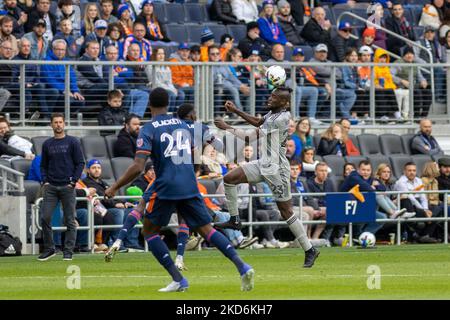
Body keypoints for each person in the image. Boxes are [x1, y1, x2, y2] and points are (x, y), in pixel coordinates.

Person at [105, 87, 255, 292]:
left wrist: (114, 187)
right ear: (169, 104)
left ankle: (178, 279)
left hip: (166, 185)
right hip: (189, 184)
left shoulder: (148, 129)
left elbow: (138, 166)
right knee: (207, 229)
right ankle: (242, 267)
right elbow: (198, 150)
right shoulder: (185, 125)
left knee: (149, 231)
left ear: (150, 105)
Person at [214, 88, 320, 268]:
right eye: (271, 95)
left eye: (275, 98)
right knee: (230, 178)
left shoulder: (280, 119)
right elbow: (258, 121)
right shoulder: (274, 113)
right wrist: (236, 111)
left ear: (284, 103)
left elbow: (248, 138)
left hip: (277, 170)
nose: (270, 99)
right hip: (264, 163)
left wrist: (227, 127)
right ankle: (235, 219)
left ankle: (310, 249)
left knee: (286, 211)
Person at [38, 113, 85, 261]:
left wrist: (73, 181)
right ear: (51, 125)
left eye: (60, 122)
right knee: (45, 217)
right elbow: (43, 165)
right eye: (55, 122)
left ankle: (68, 251)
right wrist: (45, 180)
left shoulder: (73, 142)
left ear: (64, 124)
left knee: (70, 220)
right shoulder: (47, 144)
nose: (58, 125)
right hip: (51, 187)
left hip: (67, 187)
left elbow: (80, 163)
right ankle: (50, 248)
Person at [340, 160, 388, 237]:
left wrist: (375, 186)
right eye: (363, 170)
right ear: (358, 170)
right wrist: (373, 187)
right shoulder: (354, 177)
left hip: (363, 208)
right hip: (347, 208)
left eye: (368, 170)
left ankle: (362, 237)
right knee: (375, 202)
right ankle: (393, 212)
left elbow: (383, 188)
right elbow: (367, 188)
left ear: (371, 171)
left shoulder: (370, 178)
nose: (366, 172)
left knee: (383, 217)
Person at [394, 162, 439, 243]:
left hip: (417, 205)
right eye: (409, 170)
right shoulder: (401, 182)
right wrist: (424, 211)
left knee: (435, 212)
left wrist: (425, 209)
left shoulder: (418, 180)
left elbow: (423, 197)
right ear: (404, 171)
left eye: (414, 170)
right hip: (405, 206)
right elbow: (411, 198)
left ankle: (424, 236)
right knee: (408, 201)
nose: (412, 172)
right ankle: (418, 236)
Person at [309, 44, 356, 119]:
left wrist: (329, 70)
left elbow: (339, 73)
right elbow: (321, 70)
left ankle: (331, 115)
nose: (322, 54)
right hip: (320, 86)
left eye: (324, 52)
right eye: (320, 52)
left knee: (351, 94)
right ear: (315, 53)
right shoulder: (312, 62)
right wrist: (331, 71)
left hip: (334, 87)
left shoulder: (329, 62)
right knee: (329, 93)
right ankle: (320, 115)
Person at [41, 39, 85, 114]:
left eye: (63, 50)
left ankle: (64, 118)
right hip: (55, 90)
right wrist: (64, 90)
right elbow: (49, 80)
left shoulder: (66, 62)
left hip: (66, 90)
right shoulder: (47, 61)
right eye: (58, 49)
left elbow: (72, 78)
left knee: (80, 101)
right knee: (69, 100)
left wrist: (75, 91)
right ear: (53, 49)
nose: (60, 52)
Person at [11, 38, 50, 118]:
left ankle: (45, 115)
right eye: (24, 46)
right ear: (19, 47)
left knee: (44, 87)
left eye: (28, 46)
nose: (26, 48)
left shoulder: (32, 60)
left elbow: (37, 76)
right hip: (21, 86)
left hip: (32, 85)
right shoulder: (14, 61)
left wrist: (35, 83)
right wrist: (25, 84)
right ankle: (25, 116)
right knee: (27, 92)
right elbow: (14, 79)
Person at [391, 47, 431, 120]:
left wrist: (423, 81)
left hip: (413, 86)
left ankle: (423, 116)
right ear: (403, 55)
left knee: (428, 92)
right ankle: (416, 116)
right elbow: (390, 75)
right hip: (401, 87)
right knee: (417, 92)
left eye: (411, 54)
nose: (409, 56)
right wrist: (401, 81)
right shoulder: (398, 63)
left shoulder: (414, 64)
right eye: (407, 54)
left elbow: (419, 76)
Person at [149, 47, 184, 112]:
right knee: (171, 94)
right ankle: (168, 115)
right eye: (159, 54)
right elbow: (156, 83)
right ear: (154, 55)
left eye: (163, 54)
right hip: (156, 89)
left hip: (168, 88)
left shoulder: (166, 67)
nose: (161, 56)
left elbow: (169, 82)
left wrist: (173, 89)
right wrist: (171, 90)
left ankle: (176, 114)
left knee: (181, 94)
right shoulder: (150, 66)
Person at [290, 48, 320, 123]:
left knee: (314, 90)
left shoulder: (306, 67)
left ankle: (311, 117)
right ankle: (295, 116)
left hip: (302, 87)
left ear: (303, 58)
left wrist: (325, 83)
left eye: (300, 56)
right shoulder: (288, 65)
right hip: (290, 88)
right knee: (297, 90)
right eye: (296, 56)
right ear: (292, 57)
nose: (298, 58)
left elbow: (315, 77)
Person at [77, 40, 109, 106]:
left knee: (123, 87)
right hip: (86, 90)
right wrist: (112, 87)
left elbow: (106, 75)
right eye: (93, 48)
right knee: (110, 88)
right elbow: (95, 78)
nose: (96, 50)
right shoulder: (83, 61)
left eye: (97, 48)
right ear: (86, 50)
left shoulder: (99, 61)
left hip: (98, 87)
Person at [123, 42, 150, 117]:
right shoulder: (124, 63)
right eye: (133, 50)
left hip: (142, 86)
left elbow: (145, 79)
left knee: (159, 92)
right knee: (151, 92)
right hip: (132, 87)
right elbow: (131, 78)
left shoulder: (140, 63)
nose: (136, 53)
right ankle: (135, 117)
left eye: (137, 50)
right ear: (128, 52)